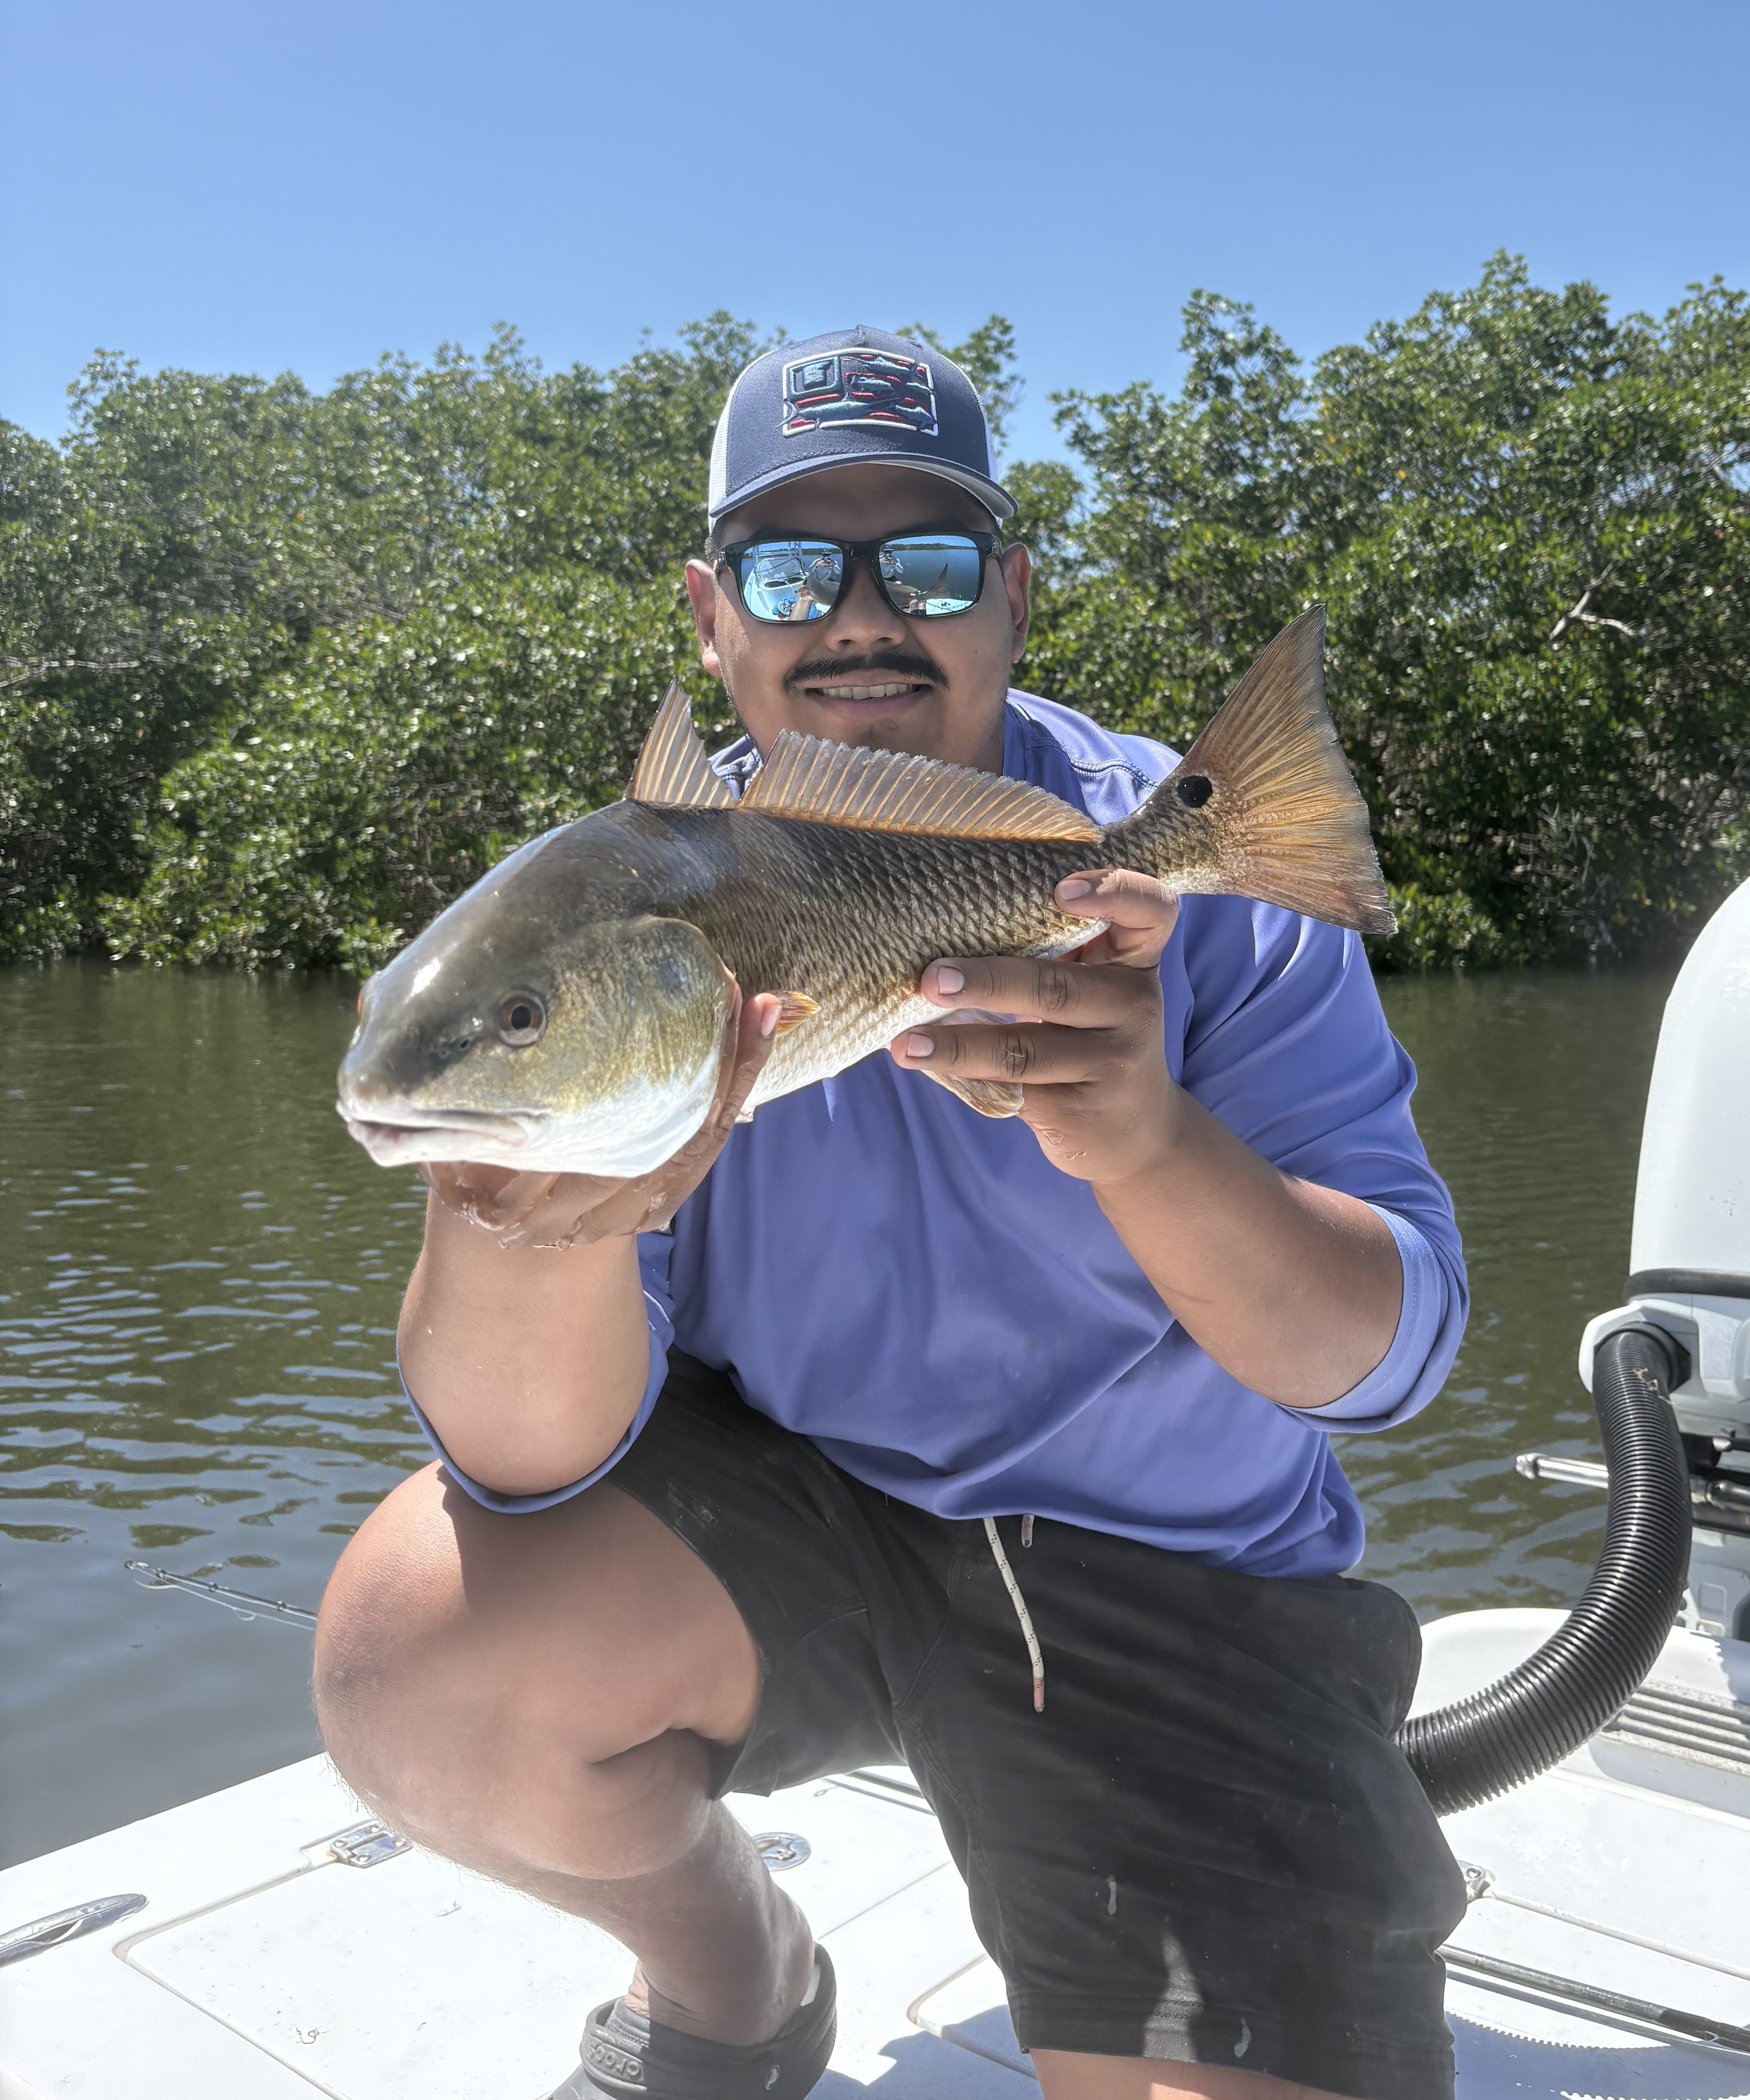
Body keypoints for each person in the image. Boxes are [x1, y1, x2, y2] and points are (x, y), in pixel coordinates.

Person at [314, 325, 1471, 2100]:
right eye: (791, 570)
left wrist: (1149, 1144)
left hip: (1173, 1575)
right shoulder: (610, 912)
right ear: (712, 615)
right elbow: (526, 1466)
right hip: (809, 1523)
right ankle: (739, 1985)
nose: (858, 618)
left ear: (1009, 593)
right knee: (420, 1650)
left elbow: (1388, 1364)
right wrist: (518, 1216)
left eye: (921, 565)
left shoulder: (1183, 875)